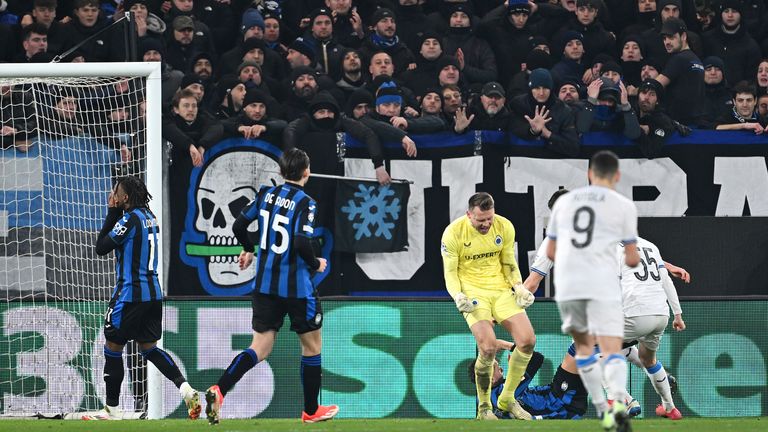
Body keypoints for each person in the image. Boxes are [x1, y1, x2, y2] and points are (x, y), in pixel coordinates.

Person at [205, 148, 339, 425]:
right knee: (312, 347)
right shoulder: (306, 203)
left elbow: (240, 224)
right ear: (306, 172)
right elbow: (301, 243)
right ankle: (311, 411)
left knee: (260, 347)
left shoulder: (266, 194)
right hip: (298, 288)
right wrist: (316, 264)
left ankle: (220, 389)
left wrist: (248, 248)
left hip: (265, 286)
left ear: (281, 172)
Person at [89, 176, 200, 420]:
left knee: (113, 346)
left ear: (125, 198)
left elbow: (101, 247)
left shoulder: (128, 220)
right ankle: (186, 389)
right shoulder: (150, 216)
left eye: (116, 192)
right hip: (153, 293)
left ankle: (111, 410)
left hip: (130, 293)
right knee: (149, 348)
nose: (112, 195)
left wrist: (111, 212)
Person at [546, 150, 640, 431]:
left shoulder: (564, 204)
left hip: (571, 285)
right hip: (602, 284)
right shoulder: (622, 206)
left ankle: (603, 409)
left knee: (583, 350)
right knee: (611, 351)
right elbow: (633, 258)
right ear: (617, 175)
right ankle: (619, 404)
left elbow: (550, 250)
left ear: (589, 174)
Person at [441, 192, 536, 421]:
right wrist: (457, 295)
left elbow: (509, 263)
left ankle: (507, 399)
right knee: (488, 347)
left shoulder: (504, 226)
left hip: (500, 291)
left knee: (527, 341)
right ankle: (484, 408)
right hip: (473, 293)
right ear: (468, 214)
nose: (486, 224)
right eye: (480, 219)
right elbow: (450, 272)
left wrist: (518, 287)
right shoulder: (453, 233)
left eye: (489, 219)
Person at [612, 236, 686, 421]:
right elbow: (666, 281)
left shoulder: (611, 247)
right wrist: (678, 314)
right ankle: (670, 408)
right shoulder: (650, 245)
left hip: (636, 313)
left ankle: (615, 399)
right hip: (661, 314)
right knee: (648, 359)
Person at [468, 342, 588, 420]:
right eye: (496, 367)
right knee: (580, 348)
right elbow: (537, 359)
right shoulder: (502, 390)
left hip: (557, 399)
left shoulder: (484, 400)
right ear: (491, 379)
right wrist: (507, 346)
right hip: (561, 402)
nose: (501, 368)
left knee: (584, 351)